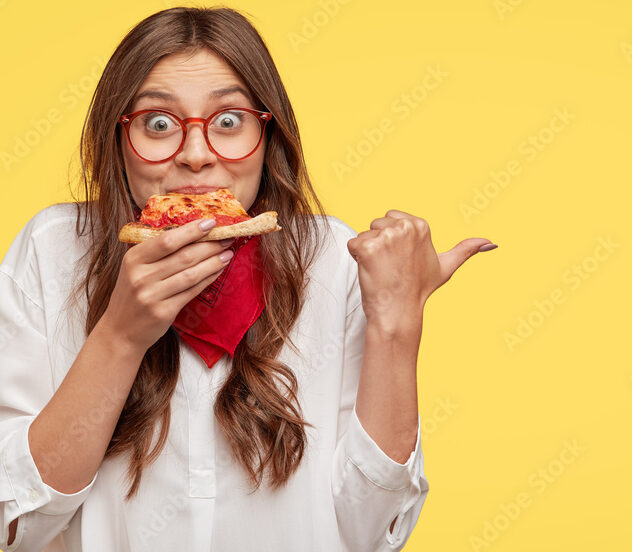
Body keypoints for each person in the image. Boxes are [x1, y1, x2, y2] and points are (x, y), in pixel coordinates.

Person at [0, 6, 496, 552]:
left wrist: (398, 324)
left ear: (268, 133)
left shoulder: (333, 257)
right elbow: (16, 527)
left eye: (229, 121)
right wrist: (120, 336)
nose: (194, 155)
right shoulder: (52, 252)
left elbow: (372, 534)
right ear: (118, 139)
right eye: (158, 123)